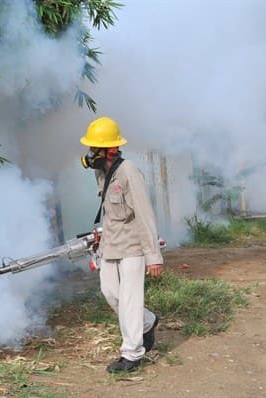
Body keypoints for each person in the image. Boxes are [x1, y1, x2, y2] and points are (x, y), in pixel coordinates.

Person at [79, 116, 164, 373]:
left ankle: (132, 354)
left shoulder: (129, 173)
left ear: (112, 149)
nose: (91, 153)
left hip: (133, 247)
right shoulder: (101, 172)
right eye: (91, 148)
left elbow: (144, 215)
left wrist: (154, 257)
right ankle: (148, 321)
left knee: (129, 299)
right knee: (111, 294)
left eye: (95, 149)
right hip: (111, 245)